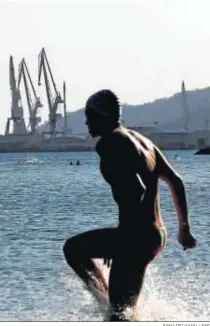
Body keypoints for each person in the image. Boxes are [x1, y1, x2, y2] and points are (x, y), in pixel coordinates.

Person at [63, 89, 196, 321]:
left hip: (136, 236)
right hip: (157, 233)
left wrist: (121, 238)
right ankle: (107, 303)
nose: (86, 122)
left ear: (104, 116)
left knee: (119, 317)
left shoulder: (110, 142)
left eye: (90, 116)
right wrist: (184, 229)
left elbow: (136, 191)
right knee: (75, 249)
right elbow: (176, 181)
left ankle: (108, 306)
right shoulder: (143, 140)